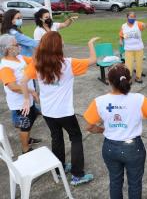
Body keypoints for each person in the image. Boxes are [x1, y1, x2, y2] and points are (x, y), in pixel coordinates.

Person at [21, 32, 97, 186]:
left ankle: (59, 169)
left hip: (48, 112)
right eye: (61, 42)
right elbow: (93, 60)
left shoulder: (37, 64)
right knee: (75, 138)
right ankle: (77, 175)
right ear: (58, 47)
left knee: (56, 138)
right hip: (65, 112)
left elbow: (23, 81)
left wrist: (26, 98)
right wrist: (90, 44)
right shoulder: (68, 63)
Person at [83, 64, 147, 199]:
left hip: (110, 148)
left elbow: (89, 127)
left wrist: (104, 130)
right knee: (135, 184)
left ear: (108, 81)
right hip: (133, 149)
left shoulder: (99, 102)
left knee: (115, 181)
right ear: (129, 80)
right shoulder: (139, 99)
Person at [0, 34, 41, 154]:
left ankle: (28, 139)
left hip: (28, 99)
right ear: (8, 48)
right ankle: (25, 149)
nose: (19, 46)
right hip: (20, 103)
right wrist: (31, 91)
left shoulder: (19, 58)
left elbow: (34, 62)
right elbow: (13, 87)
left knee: (32, 118)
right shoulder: (5, 66)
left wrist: (37, 50)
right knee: (25, 126)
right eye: (16, 44)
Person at [119, 11, 147, 83]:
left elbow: (144, 25)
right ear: (127, 17)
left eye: (134, 17)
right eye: (131, 17)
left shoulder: (138, 24)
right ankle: (129, 78)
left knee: (139, 64)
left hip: (139, 48)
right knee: (128, 65)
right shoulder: (123, 26)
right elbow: (121, 35)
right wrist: (121, 41)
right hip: (128, 49)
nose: (132, 18)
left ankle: (138, 77)